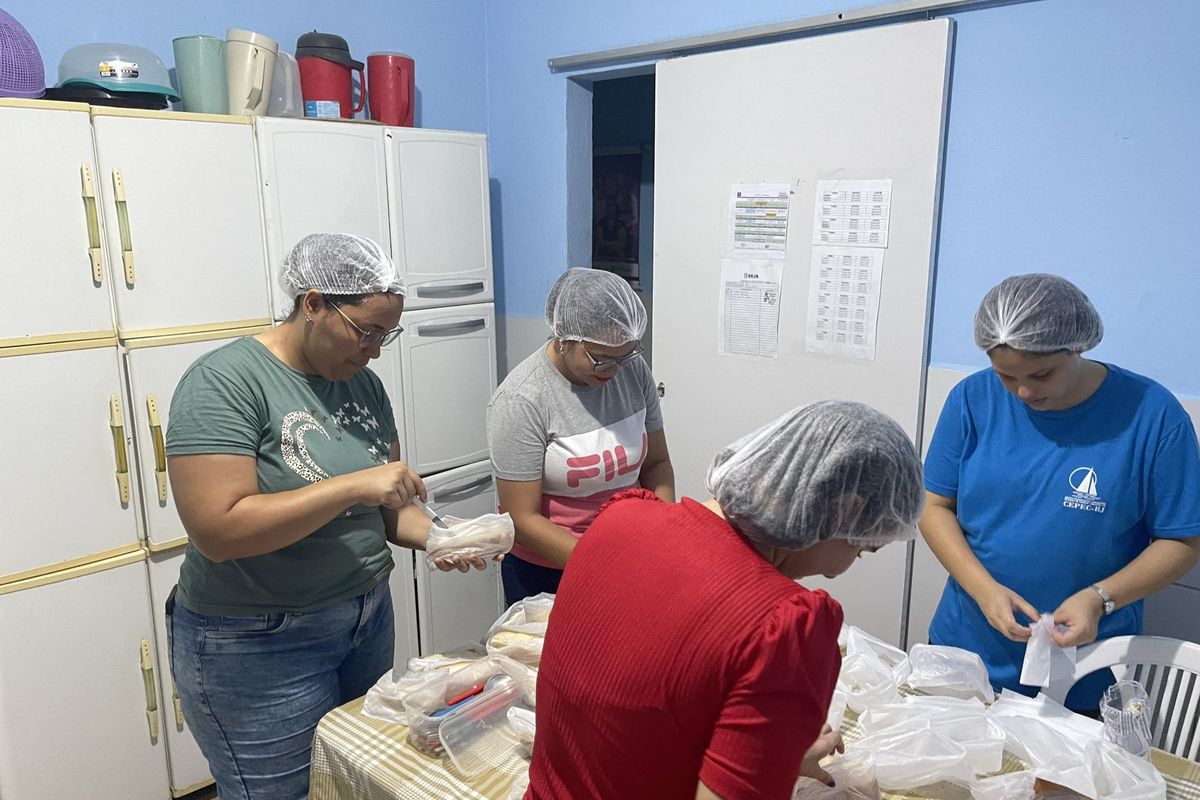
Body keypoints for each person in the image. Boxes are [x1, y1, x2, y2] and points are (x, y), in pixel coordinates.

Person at [165, 233, 491, 800]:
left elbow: (391, 509)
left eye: (386, 334)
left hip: (364, 620)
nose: (375, 350)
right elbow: (217, 531)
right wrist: (352, 487)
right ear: (312, 304)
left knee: (354, 782)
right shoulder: (224, 382)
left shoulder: (362, 384)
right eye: (365, 331)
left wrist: (441, 537)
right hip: (258, 640)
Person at [527, 400, 926, 800]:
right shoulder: (783, 626)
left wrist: (762, 753)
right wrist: (774, 762)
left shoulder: (620, 518)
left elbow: (635, 719)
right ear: (842, 511)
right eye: (861, 550)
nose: (839, 571)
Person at [921, 273, 1200, 710]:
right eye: (1006, 377)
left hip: (1087, 669)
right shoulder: (971, 399)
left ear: (1077, 347)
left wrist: (1100, 599)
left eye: (1041, 373)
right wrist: (983, 590)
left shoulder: (1153, 416)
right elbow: (934, 505)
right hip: (966, 651)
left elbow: (1182, 540)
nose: (1025, 391)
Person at [487, 267, 674, 605]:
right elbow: (522, 518)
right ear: (564, 336)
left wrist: (660, 536)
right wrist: (601, 564)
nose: (615, 371)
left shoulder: (632, 371)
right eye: (601, 359)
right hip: (548, 571)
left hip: (627, 553)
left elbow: (657, 464)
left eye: (625, 356)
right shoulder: (521, 399)